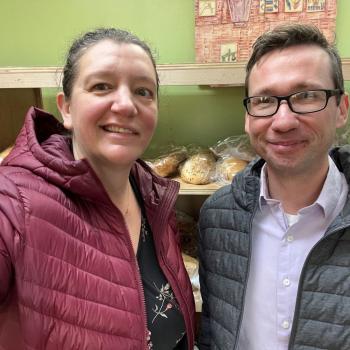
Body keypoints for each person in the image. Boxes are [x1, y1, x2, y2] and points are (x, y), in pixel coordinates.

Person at [0, 28, 195, 349]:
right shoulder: (14, 201)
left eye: (143, 91)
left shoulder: (155, 200)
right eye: (101, 86)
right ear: (66, 108)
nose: (126, 104)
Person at [198, 23, 350, 349]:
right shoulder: (217, 217)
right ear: (247, 117)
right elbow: (212, 332)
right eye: (265, 100)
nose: (282, 121)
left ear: (342, 109)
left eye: (307, 95)